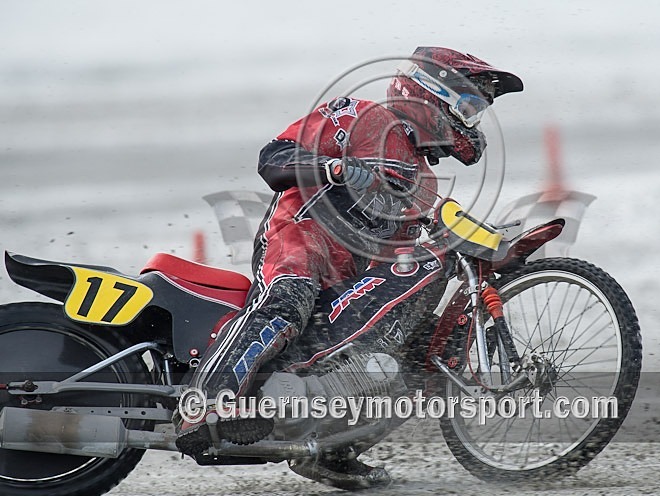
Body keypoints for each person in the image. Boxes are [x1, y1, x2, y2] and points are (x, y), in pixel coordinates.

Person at [175, 46, 523, 487]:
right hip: (299, 239)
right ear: (433, 92)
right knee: (288, 302)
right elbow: (273, 158)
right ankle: (203, 404)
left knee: (417, 353)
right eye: (470, 106)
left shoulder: (424, 179)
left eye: (478, 112)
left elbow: (395, 256)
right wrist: (335, 167)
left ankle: (331, 450)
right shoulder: (359, 116)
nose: (471, 123)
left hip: (348, 277)